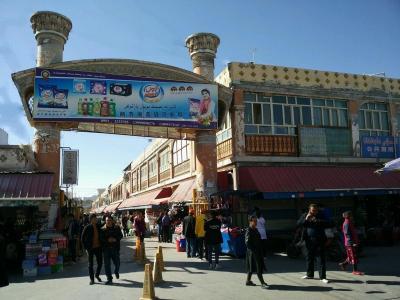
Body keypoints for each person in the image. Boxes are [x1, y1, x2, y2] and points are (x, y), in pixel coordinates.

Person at [297, 203, 332, 284]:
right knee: (309, 257)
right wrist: (306, 219)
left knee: (320, 258)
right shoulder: (305, 215)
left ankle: (322, 277)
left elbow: (329, 223)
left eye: (315, 210)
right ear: (309, 210)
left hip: (320, 240)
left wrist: (317, 220)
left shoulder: (321, 215)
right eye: (312, 210)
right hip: (308, 240)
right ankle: (309, 275)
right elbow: (298, 224)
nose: (314, 212)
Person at [245, 215, 268, 289]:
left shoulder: (255, 229)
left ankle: (248, 281)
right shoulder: (249, 230)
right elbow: (247, 242)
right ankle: (262, 283)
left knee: (251, 267)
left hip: (257, 251)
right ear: (250, 221)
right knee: (258, 267)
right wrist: (254, 250)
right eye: (254, 221)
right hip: (253, 252)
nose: (256, 222)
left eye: (256, 221)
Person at [81, 214, 104, 285]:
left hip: (98, 247)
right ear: (91, 219)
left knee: (100, 262)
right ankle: (92, 279)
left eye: (96, 218)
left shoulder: (98, 226)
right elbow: (82, 238)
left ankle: (97, 275)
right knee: (90, 264)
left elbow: (104, 226)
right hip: (90, 248)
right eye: (94, 218)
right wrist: (86, 248)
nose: (96, 219)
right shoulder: (87, 227)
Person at [102, 216, 123, 285]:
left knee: (117, 263)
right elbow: (100, 239)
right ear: (105, 221)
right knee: (107, 265)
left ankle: (116, 271)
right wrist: (107, 240)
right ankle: (109, 279)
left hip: (115, 248)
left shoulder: (116, 228)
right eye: (107, 220)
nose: (109, 222)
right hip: (106, 249)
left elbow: (121, 235)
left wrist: (115, 239)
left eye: (110, 220)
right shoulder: (102, 229)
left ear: (112, 221)